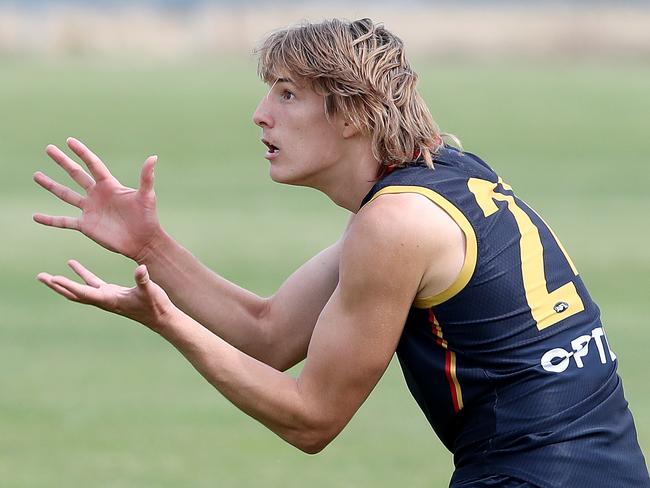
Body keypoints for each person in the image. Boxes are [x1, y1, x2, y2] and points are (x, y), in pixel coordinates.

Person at [33, 18, 648, 488]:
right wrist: (149, 247)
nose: (260, 115)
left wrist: (165, 320)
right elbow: (269, 333)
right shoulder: (439, 181)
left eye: (287, 94)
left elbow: (312, 419)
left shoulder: (395, 223)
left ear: (352, 111)